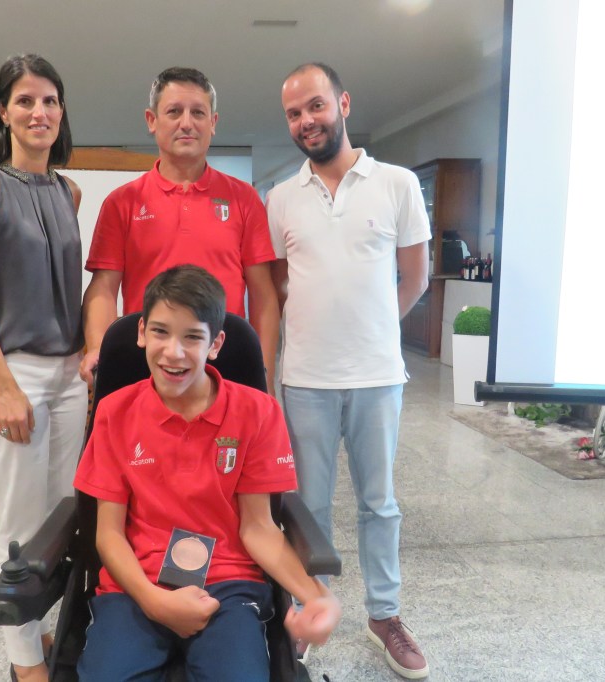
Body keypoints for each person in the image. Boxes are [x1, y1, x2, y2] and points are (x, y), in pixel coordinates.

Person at [73, 265, 341, 681]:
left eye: (192, 337)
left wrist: (315, 595)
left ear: (215, 344)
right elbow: (108, 534)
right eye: (160, 332)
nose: (173, 352)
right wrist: (154, 602)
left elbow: (259, 528)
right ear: (141, 332)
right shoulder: (115, 412)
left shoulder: (257, 413)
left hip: (228, 585)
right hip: (135, 586)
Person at [266, 63, 432, 679]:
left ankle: (384, 616)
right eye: (293, 113)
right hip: (306, 378)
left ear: (343, 103)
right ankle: (310, 609)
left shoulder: (397, 184)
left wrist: (374, 328)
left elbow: (415, 277)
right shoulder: (281, 197)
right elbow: (280, 286)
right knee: (307, 507)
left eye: (315, 105)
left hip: (377, 377)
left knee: (379, 504)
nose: (306, 121)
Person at [0, 54, 86, 682]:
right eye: (25, 100)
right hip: (14, 374)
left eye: (50, 100)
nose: (39, 112)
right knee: (19, 527)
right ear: (2, 111)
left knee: (60, 517)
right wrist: (2, 386)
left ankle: (43, 631)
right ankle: (26, 665)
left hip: (68, 375)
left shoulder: (68, 191)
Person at [79, 67, 280, 392]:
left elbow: (263, 296)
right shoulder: (122, 203)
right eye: (174, 111)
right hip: (148, 363)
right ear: (152, 120)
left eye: (198, 112)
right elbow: (103, 289)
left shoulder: (244, 199)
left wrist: (263, 372)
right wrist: (98, 348)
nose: (187, 123)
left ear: (213, 123)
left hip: (224, 361)